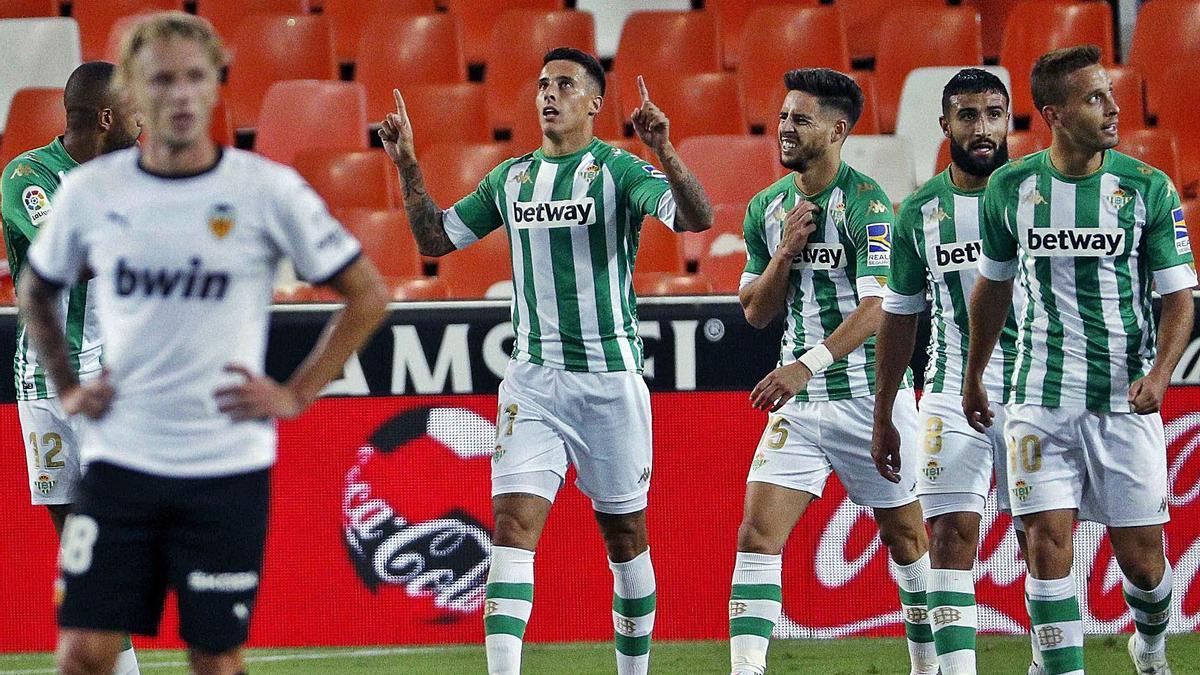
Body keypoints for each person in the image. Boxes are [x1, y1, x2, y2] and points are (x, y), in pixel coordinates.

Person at [17, 12, 389, 675]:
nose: (180, 93)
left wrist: (297, 390)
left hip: (223, 457)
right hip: (121, 453)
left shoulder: (264, 189)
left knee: (215, 657)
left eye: (195, 77)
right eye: (162, 79)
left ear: (215, 86)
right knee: (82, 652)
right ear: (136, 91)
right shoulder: (92, 193)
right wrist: (67, 382)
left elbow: (368, 292)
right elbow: (36, 290)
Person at [378, 46, 712, 675]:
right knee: (510, 527)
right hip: (532, 383)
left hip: (610, 382)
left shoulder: (618, 171)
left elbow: (695, 218)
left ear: (595, 102)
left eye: (564, 84)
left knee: (625, 541)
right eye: (541, 84)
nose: (548, 94)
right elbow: (433, 238)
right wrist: (409, 167)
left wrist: (664, 151)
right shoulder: (512, 178)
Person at [964, 45, 1193, 675]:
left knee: (1144, 563)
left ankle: (1149, 643)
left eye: (1111, 94)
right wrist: (975, 374)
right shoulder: (1011, 187)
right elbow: (994, 287)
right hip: (1036, 395)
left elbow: (1179, 298)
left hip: (1124, 399)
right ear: (1055, 113)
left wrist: (1162, 373)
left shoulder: (1147, 188)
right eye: (1096, 98)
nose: (1114, 108)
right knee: (1045, 546)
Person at [729, 68, 934, 675]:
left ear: (838, 129)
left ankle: (929, 666)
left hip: (869, 399)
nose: (785, 128)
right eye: (784, 116)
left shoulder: (868, 205)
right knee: (756, 536)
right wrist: (787, 255)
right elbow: (756, 310)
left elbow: (879, 307)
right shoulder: (768, 209)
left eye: (801, 118)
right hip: (801, 409)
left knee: (907, 540)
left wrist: (805, 365)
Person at [872, 68, 1045, 675]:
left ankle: (1048, 662)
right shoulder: (919, 212)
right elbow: (899, 319)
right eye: (967, 115)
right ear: (944, 125)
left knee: (1039, 540)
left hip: (1034, 387)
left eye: (994, 114)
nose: (981, 127)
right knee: (948, 538)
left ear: (1010, 121)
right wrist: (885, 412)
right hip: (947, 389)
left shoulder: (1038, 194)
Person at [1, 60, 143, 675]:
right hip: (46, 383)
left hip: (112, 385)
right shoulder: (28, 176)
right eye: (135, 111)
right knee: (82, 551)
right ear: (107, 117)